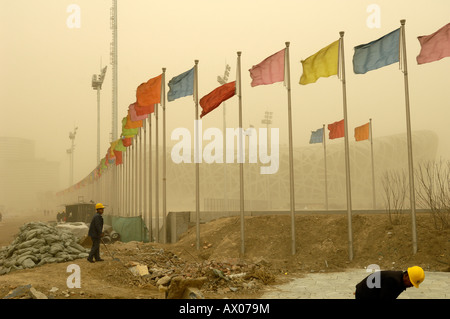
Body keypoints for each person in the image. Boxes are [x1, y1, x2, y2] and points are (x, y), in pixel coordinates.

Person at [355, 266, 425, 299]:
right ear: (406, 276)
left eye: (413, 284)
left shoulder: (400, 280)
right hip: (364, 296)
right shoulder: (393, 281)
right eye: (411, 283)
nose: (411, 286)